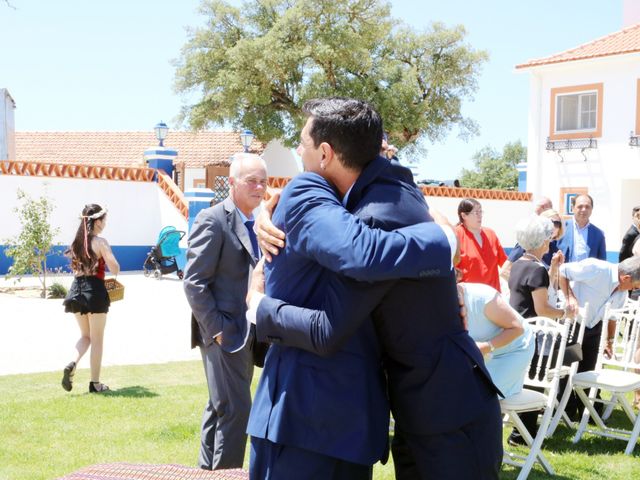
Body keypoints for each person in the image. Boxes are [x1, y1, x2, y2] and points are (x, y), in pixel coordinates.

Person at [247, 98, 502, 480]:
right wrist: (268, 209)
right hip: (426, 408)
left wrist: (448, 240)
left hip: (448, 412)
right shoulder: (386, 193)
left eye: (302, 143)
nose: (298, 151)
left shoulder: (377, 214)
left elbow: (354, 270)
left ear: (326, 153)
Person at [182, 153, 267, 470]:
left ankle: (207, 472)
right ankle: (227, 475)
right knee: (236, 410)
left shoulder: (256, 223)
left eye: (263, 181)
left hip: (246, 334)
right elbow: (193, 282)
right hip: (224, 333)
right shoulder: (213, 219)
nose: (259, 187)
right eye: (251, 181)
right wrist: (216, 329)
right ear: (231, 183)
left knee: (220, 407)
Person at [506, 215, 573, 445]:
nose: (549, 243)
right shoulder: (536, 270)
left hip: (518, 333)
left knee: (527, 379)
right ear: (541, 241)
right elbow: (543, 308)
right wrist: (565, 314)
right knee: (537, 379)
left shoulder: (519, 265)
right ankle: (523, 434)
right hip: (534, 335)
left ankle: (522, 431)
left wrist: (553, 268)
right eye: (547, 239)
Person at [559, 256, 640, 420]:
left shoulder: (621, 291)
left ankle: (587, 411)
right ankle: (566, 409)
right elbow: (562, 271)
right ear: (626, 278)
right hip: (572, 323)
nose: (634, 289)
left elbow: (611, 318)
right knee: (565, 369)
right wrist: (570, 297)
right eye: (635, 286)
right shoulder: (595, 268)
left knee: (588, 371)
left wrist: (609, 341)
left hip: (593, 327)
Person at [61, 204, 119, 393]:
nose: (106, 223)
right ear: (98, 221)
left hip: (76, 291)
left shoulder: (76, 244)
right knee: (97, 339)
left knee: (85, 336)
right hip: (94, 291)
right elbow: (115, 268)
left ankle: (72, 363)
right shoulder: (101, 242)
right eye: (105, 220)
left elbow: (75, 267)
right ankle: (95, 384)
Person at [460, 282, 535, 398]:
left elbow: (517, 328)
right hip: (482, 355)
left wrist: (487, 346)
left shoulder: (482, 297)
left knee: (480, 395)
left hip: (515, 349)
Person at [455, 198, 508, 292]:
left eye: (481, 212)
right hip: (469, 297)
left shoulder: (490, 234)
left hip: (493, 296)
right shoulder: (456, 235)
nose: (480, 216)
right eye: (476, 213)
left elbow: (505, 263)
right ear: (463, 215)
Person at [501, 209, 565, 281]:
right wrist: (524, 288)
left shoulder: (554, 250)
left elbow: (549, 281)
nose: (552, 226)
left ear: (560, 228)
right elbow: (504, 272)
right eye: (549, 222)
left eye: (556, 223)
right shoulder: (526, 244)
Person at [556, 194, 606, 262]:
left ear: (591, 209)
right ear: (573, 208)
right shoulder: (561, 228)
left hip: (588, 272)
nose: (584, 209)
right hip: (563, 272)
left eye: (587, 207)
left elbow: (602, 262)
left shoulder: (599, 234)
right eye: (580, 206)